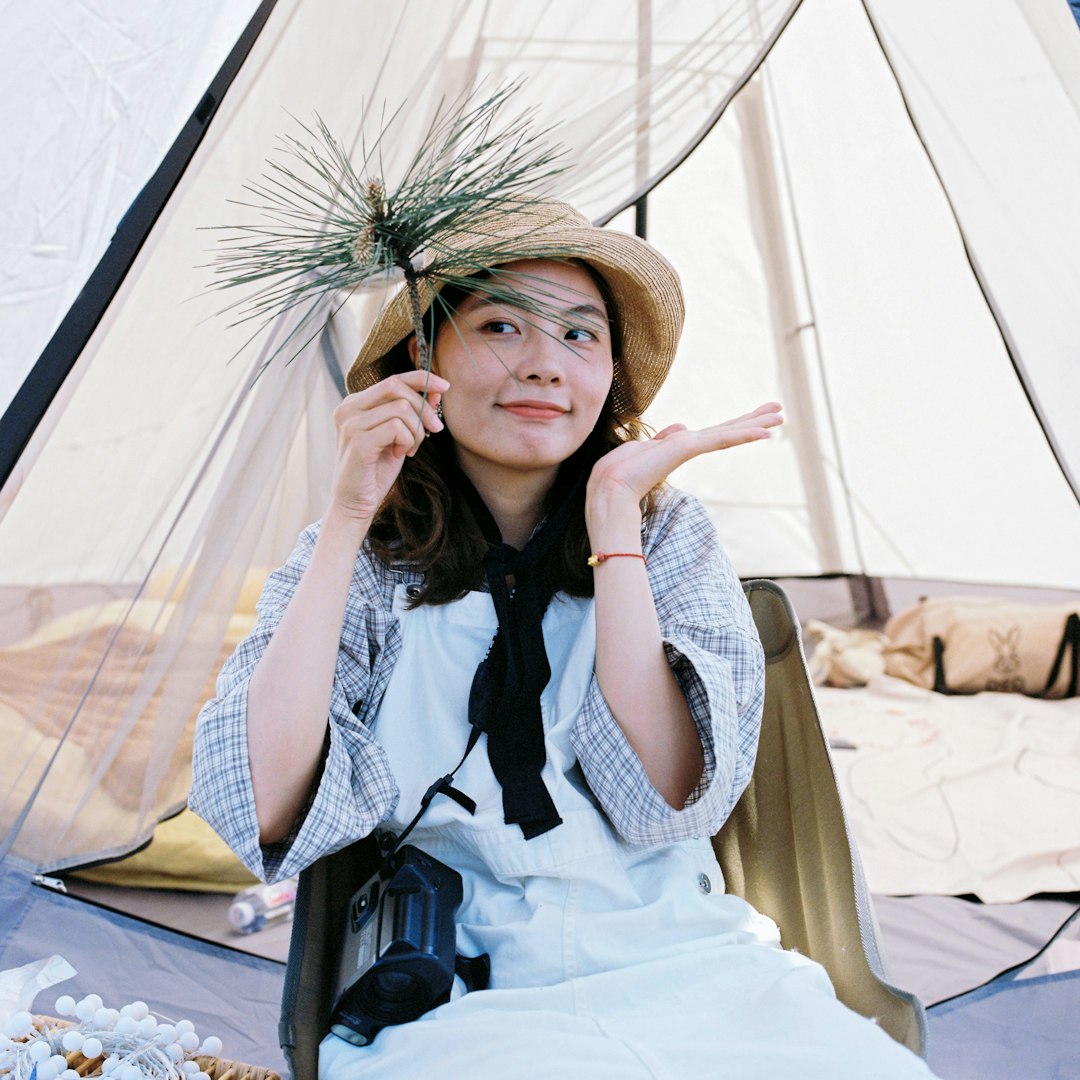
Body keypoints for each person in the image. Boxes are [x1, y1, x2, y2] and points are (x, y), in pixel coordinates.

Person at [190, 202, 937, 1078]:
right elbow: (265, 807)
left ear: (611, 374)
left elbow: (666, 796)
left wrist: (614, 522)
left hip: (694, 966)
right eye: (500, 325)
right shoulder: (362, 559)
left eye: (581, 335)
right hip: (465, 1002)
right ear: (422, 361)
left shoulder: (667, 536)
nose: (545, 365)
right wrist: (349, 515)